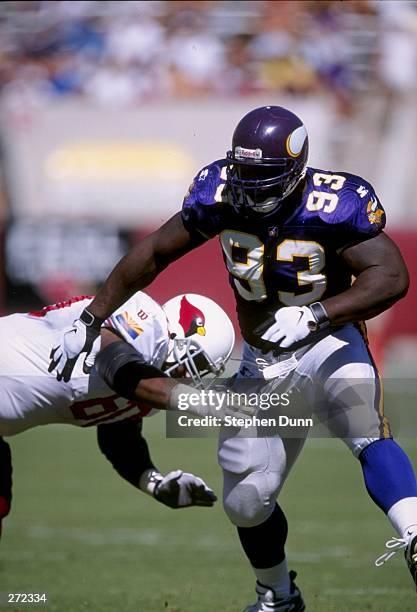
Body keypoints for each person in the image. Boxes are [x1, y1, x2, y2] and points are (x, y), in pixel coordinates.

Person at [49, 105, 417, 611]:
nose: (250, 186)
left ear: (295, 170)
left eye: (263, 176)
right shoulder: (220, 193)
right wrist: (91, 319)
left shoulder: (334, 202)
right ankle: (279, 597)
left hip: (328, 339)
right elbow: (154, 252)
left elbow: (391, 277)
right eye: (243, 172)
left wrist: (317, 315)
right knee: (246, 501)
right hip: (263, 360)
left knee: (363, 427)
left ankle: (415, 534)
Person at [0, 290, 236, 539]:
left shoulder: (150, 391)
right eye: (197, 363)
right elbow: (120, 369)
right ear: (178, 335)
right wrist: (210, 404)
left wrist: (154, 483)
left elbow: (118, 439)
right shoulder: (146, 321)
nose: (191, 377)